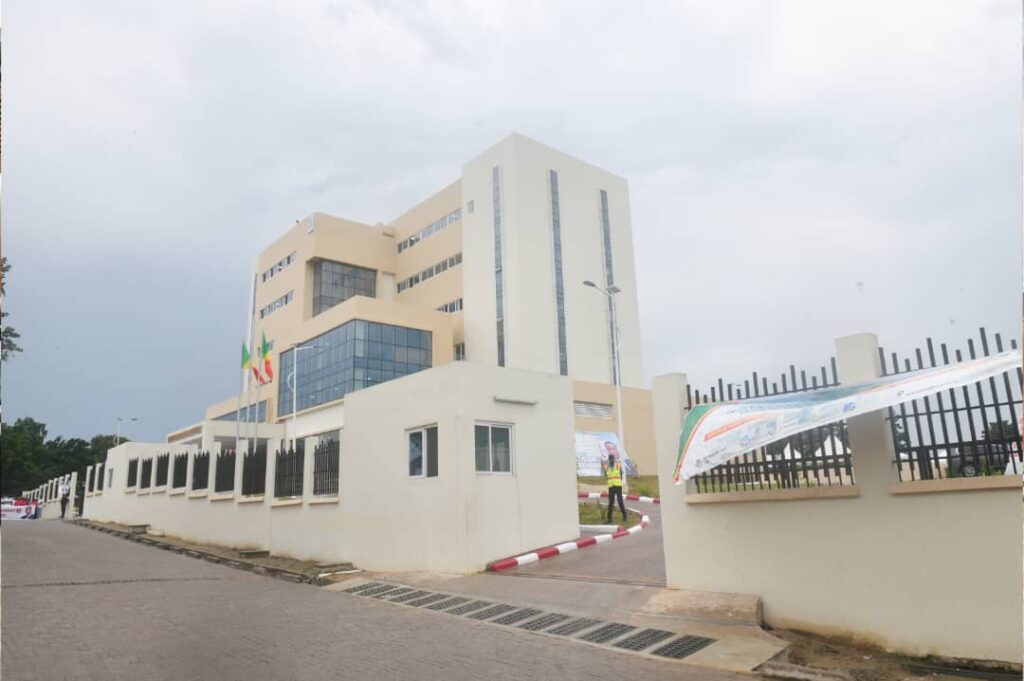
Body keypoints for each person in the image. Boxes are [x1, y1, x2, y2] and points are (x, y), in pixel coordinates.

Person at [602, 447, 627, 523]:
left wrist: (618, 481)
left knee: (620, 501)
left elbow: (621, 475)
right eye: (610, 459)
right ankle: (609, 519)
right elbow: (606, 476)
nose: (611, 460)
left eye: (612, 459)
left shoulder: (617, 465)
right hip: (611, 487)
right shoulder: (607, 467)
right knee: (611, 503)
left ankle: (625, 516)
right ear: (609, 460)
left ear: (614, 459)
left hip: (618, 486)